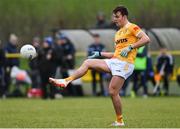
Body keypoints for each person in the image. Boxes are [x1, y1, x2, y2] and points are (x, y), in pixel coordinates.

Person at [49, 6, 150, 126]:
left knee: (112, 91)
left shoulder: (132, 27)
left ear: (124, 16)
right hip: (115, 61)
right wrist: (100, 54)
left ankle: (119, 121)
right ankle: (65, 81)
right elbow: (117, 54)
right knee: (87, 62)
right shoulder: (118, 33)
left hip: (126, 64)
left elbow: (146, 39)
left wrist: (131, 47)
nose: (115, 19)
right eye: (114, 17)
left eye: (117, 17)